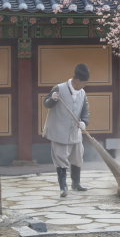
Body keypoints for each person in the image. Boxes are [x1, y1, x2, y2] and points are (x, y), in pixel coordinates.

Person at [42, 63, 90, 197]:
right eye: (84, 82)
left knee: (77, 156)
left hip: (75, 131)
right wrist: (52, 99)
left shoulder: (82, 92)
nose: (85, 85)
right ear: (77, 80)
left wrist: (84, 122)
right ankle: (63, 187)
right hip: (59, 130)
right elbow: (46, 103)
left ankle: (76, 183)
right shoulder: (59, 88)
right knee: (60, 158)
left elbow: (85, 110)